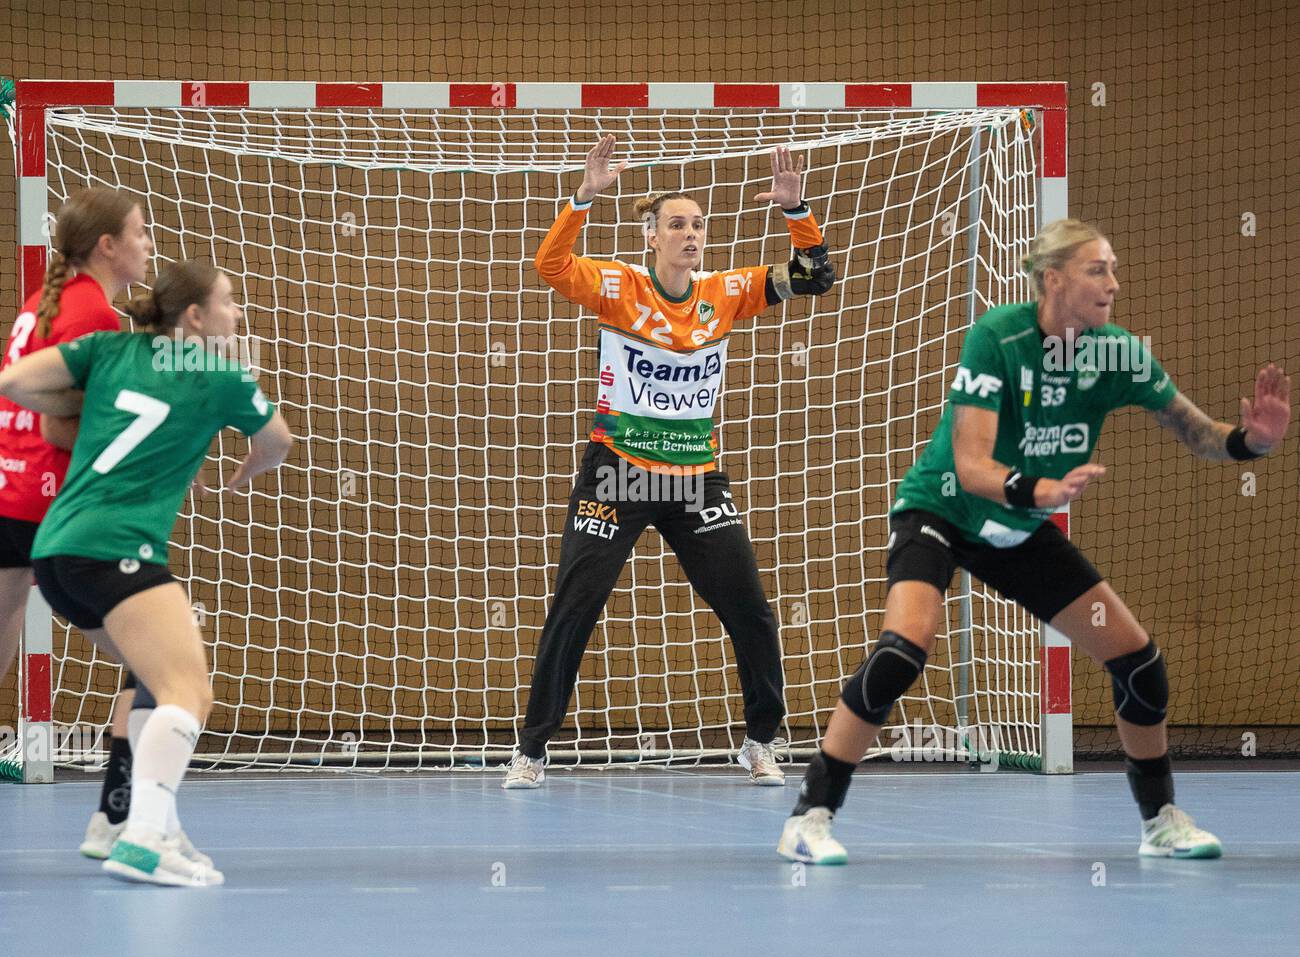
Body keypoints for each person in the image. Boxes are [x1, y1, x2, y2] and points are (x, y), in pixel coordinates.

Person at [778, 218, 1291, 863]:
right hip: (942, 511)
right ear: (1053, 279)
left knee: (1139, 665)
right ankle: (810, 816)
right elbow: (970, 466)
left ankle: (1160, 821)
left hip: (1017, 532)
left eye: (1112, 268)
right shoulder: (1000, 338)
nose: (1113, 283)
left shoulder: (1119, 354)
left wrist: (1252, 442)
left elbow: (1197, 432)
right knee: (903, 652)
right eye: (1097, 269)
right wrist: (1041, 492)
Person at [504, 135, 836, 788]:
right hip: (618, 473)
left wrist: (797, 213)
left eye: (698, 224)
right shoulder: (618, 286)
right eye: (677, 224)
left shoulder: (726, 291)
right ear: (651, 237)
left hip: (693, 480)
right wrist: (581, 199)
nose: (690, 233)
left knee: (749, 605)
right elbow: (550, 264)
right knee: (576, 604)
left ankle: (761, 741)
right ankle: (532, 750)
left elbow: (813, 276)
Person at [0, 260, 293, 886]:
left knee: (153, 678)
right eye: (229, 302)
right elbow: (279, 442)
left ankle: (125, 817)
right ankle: (145, 839)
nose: (237, 315)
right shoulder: (220, 374)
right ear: (194, 317)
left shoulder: (108, 349)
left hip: (54, 552)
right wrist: (247, 468)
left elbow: (19, 381)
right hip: (117, 550)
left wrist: (85, 402)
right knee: (189, 691)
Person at [0, 188, 152, 854]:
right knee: (156, 660)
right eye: (140, 233)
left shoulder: (44, 302)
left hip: (7, 489)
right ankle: (118, 816)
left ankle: (115, 816)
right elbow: (70, 424)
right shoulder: (93, 314)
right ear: (106, 246)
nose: (149, 244)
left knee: (4, 617)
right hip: (46, 500)